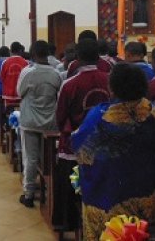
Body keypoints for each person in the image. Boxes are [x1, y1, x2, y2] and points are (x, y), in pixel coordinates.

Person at [72, 63, 155, 240]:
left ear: (112, 88)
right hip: (151, 197)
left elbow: (79, 147)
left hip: (110, 198)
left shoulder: (100, 116)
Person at [54, 38, 109, 230]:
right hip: (105, 142)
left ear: (77, 57)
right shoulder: (109, 79)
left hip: (75, 143)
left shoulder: (70, 84)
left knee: (68, 182)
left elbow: (60, 116)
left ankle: (67, 222)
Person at [18, 40, 62, 208]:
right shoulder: (55, 73)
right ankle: (48, 192)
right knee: (48, 159)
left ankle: (29, 194)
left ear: (33, 54)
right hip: (49, 122)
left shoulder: (27, 72)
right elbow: (58, 94)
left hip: (29, 121)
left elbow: (19, 92)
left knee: (30, 158)